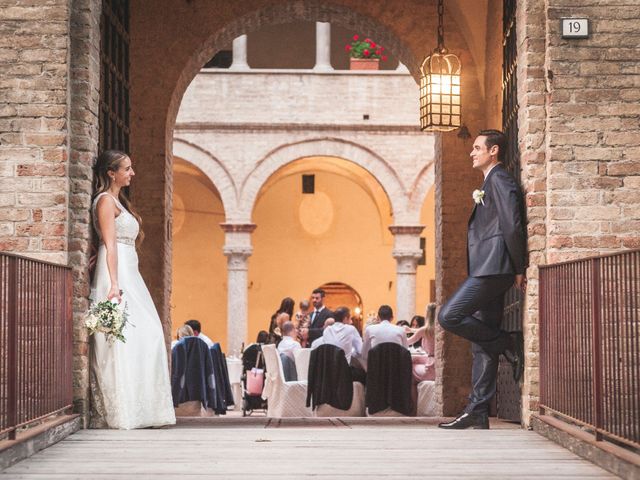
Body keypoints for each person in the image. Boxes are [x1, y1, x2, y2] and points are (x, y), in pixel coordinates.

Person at [437, 130, 527, 430]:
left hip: (495, 268)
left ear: (494, 151)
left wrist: (518, 266)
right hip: (489, 267)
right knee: (481, 342)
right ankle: (477, 409)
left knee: (449, 315)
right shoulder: (490, 181)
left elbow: (512, 224)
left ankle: (507, 341)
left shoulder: (499, 179)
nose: (471, 153)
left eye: (477, 148)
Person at [89, 149, 175, 429]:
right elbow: (110, 244)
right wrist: (114, 284)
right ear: (111, 173)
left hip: (129, 271)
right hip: (118, 272)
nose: (132, 173)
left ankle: (143, 408)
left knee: (147, 335)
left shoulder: (118, 201)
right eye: (127, 168)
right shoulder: (104, 201)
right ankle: (123, 410)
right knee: (126, 337)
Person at [406, 303, 437, 382]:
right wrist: (410, 330)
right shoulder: (439, 328)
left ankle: (415, 394)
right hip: (437, 363)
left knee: (409, 368)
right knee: (414, 359)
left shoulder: (425, 330)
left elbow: (408, 342)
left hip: (432, 368)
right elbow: (420, 331)